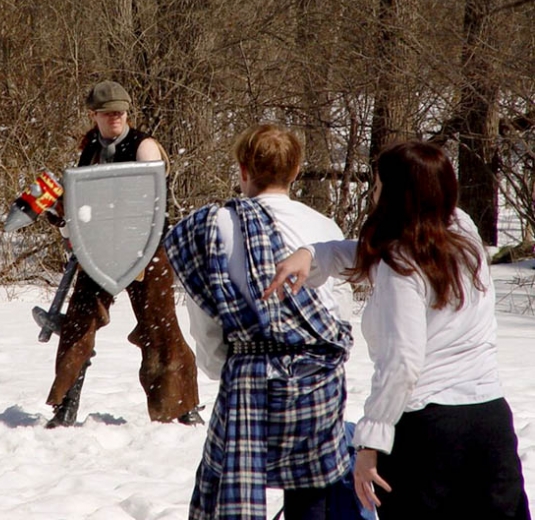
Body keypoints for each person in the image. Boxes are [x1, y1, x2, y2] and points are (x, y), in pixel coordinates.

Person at [264, 140, 531, 519]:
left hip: (428, 434)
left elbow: (403, 364)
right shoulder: (461, 231)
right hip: (490, 425)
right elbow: (371, 251)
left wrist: (370, 443)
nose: (372, 196)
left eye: (376, 187)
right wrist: (314, 254)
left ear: (398, 196)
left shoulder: (401, 265)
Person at [164, 123, 356, 520]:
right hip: (317, 381)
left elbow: (204, 316)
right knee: (313, 494)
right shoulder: (324, 229)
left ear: (243, 169)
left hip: (248, 378)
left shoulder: (215, 227)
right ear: (297, 170)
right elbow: (339, 311)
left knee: (227, 488)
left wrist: (226, 367)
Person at [44, 80, 202, 428]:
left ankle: (182, 407)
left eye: (120, 111)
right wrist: (58, 210)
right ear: (94, 115)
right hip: (99, 249)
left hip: (145, 249)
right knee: (77, 323)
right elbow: (85, 204)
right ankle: (65, 405)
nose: (115, 116)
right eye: (108, 112)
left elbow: (149, 204)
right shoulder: (89, 151)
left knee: (160, 328)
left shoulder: (144, 147)